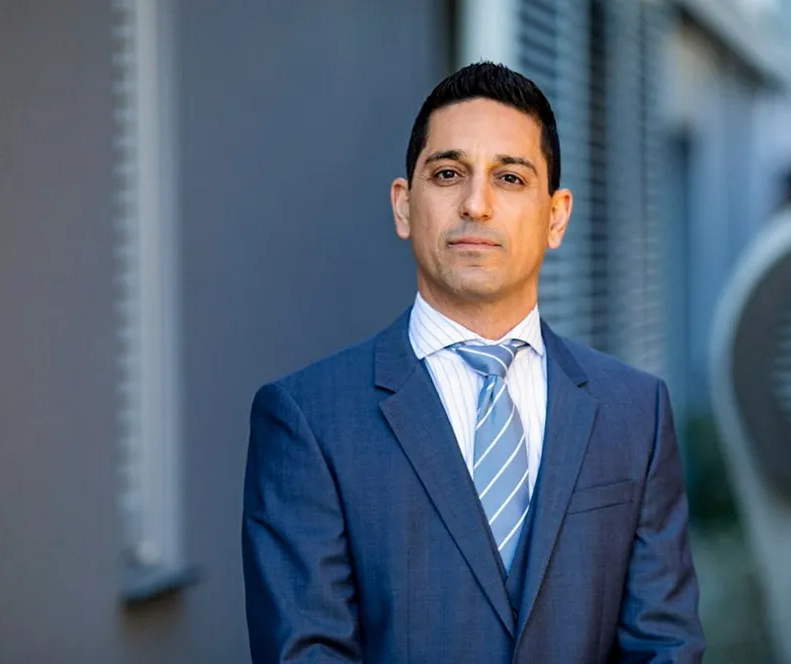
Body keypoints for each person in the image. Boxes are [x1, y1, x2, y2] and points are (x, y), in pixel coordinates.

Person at [242, 62, 704, 663]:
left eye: (509, 177)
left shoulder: (635, 413)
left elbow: (664, 646)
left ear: (556, 217)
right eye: (448, 173)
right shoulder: (307, 419)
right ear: (404, 206)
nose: (476, 204)